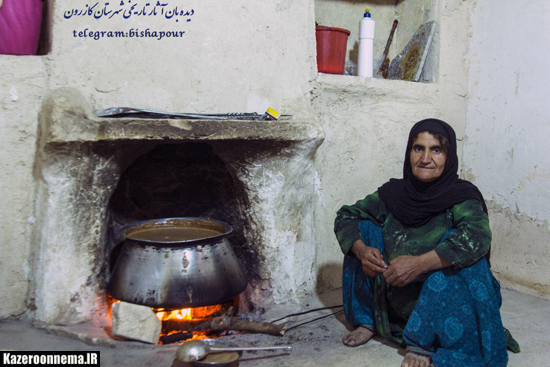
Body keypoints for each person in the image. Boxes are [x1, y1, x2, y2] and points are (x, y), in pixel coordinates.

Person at [334, 119, 519, 367]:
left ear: (449, 155)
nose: (425, 158)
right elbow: (346, 215)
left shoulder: (462, 196)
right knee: (363, 230)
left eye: (436, 150)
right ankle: (370, 320)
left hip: (446, 302)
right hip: (396, 291)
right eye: (418, 148)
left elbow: (478, 236)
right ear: (409, 152)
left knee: (459, 253)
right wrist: (362, 250)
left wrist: (420, 264)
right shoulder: (394, 193)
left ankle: (424, 341)